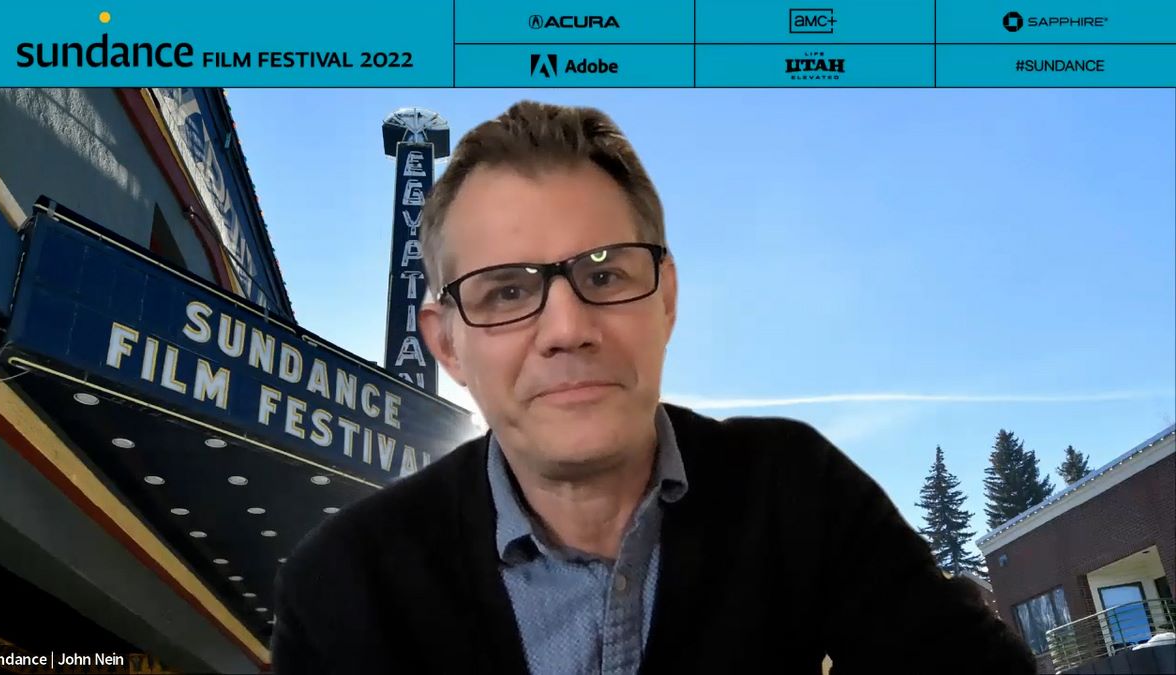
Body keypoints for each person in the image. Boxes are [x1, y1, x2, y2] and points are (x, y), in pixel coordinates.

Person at [271, 101, 1036, 674]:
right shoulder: (341, 587)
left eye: (604, 274)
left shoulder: (798, 492)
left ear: (666, 299)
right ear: (448, 344)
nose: (567, 326)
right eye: (506, 291)